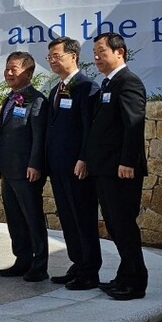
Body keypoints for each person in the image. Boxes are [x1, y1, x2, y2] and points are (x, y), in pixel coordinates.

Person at [85, 33, 148, 301]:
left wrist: (127, 161)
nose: (96, 57)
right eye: (95, 52)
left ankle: (136, 282)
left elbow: (133, 124)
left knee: (123, 225)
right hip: (105, 168)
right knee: (114, 225)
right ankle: (125, 275)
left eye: (102, 51)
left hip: (121, 169)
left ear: (119, 52)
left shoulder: (128, 82)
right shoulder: (108, 84)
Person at [44, 36, 101, 290]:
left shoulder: (87, 87)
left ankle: (89, 271)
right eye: (50, 57)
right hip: (58, 166)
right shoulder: (56, 89)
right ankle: (77, 264)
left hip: (78, 168)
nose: (52, 61)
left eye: (57, 56)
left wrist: (84, 158)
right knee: (67, 218)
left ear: (73, 56)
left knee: (83, 218)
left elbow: (90, 128)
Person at [0, 52, 49, 282]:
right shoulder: (9, 98)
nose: (8, 73)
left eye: (13, 69)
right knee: (15, 218)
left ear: (28, 72)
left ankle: (39, 264)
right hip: (9, 170)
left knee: (32, 218)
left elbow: (39, 136)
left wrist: (35, 164)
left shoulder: (37, 100)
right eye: (7, 68)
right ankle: (22, 259)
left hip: (27, 171)